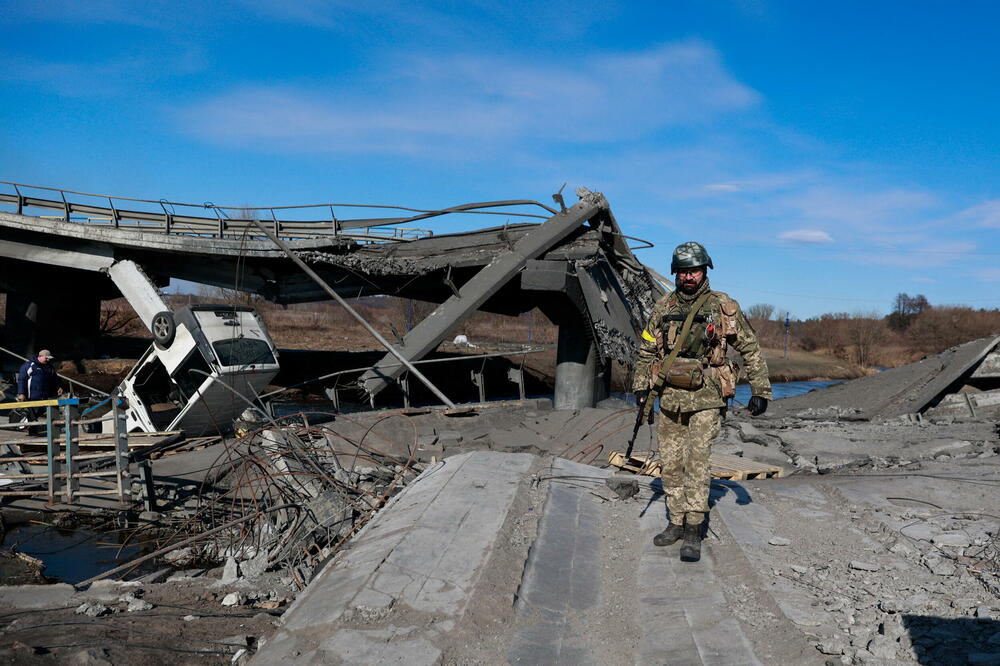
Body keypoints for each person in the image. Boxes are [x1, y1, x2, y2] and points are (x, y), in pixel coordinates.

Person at [632, 242, 771, 561]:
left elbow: (750, 348)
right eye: (683, 272)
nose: (688, 277)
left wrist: (760, 390)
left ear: (705, 270)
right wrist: (642, 387)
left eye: (694, 270)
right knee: (671, 463)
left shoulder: (723, 306)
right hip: (669, 396)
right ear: (675, 273)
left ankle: (694, 530)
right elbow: (647, 349)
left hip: (707, 396)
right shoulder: (663, 306)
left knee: (696, 462)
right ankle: (676, 522)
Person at [16, 349, 63, 435]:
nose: (48, 360)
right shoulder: (28, 365)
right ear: (40, 356)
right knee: (32, 414)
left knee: (48, 411)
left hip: (45, 396)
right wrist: (21, 393)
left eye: (49, 358)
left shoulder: (49, 367)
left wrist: (58, 387)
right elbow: (22, 380)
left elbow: (54, 379)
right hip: (32, 396)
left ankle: (54, 430)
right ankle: (31, 431)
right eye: (46, 358)